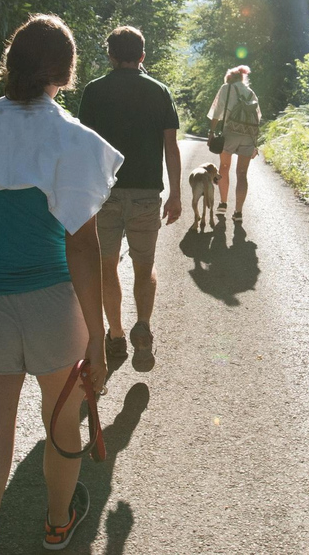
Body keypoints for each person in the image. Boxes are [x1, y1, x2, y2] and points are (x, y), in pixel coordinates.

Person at [0, 14, 124, 553]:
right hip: (52, 305)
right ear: (66, 73)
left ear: (9, 65)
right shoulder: (75, 139)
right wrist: (99, 334)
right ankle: (56, 522)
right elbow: (82, 247)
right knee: (62, 422)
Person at [78, 25, 181, 369]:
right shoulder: (159, 91)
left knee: (106, 266)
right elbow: (171, 145)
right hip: (146, 195)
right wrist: (177, 193)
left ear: (109, 55)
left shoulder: (94, 91)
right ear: (142, 56)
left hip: (104, 193)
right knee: (144, 266)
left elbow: (85, 147)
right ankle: (144, 327)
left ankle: (117, 335)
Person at [207, 65, 261, 223]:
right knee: (242, 173)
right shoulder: (251, 93)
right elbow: (257, 118)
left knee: (224, 167)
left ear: (229, 78)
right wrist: (255, 143)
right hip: (248, 136)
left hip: (230, 133)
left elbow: (216, 112)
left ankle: (223, 204)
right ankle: (238, 212)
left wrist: (211, 132)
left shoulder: (226, 88)